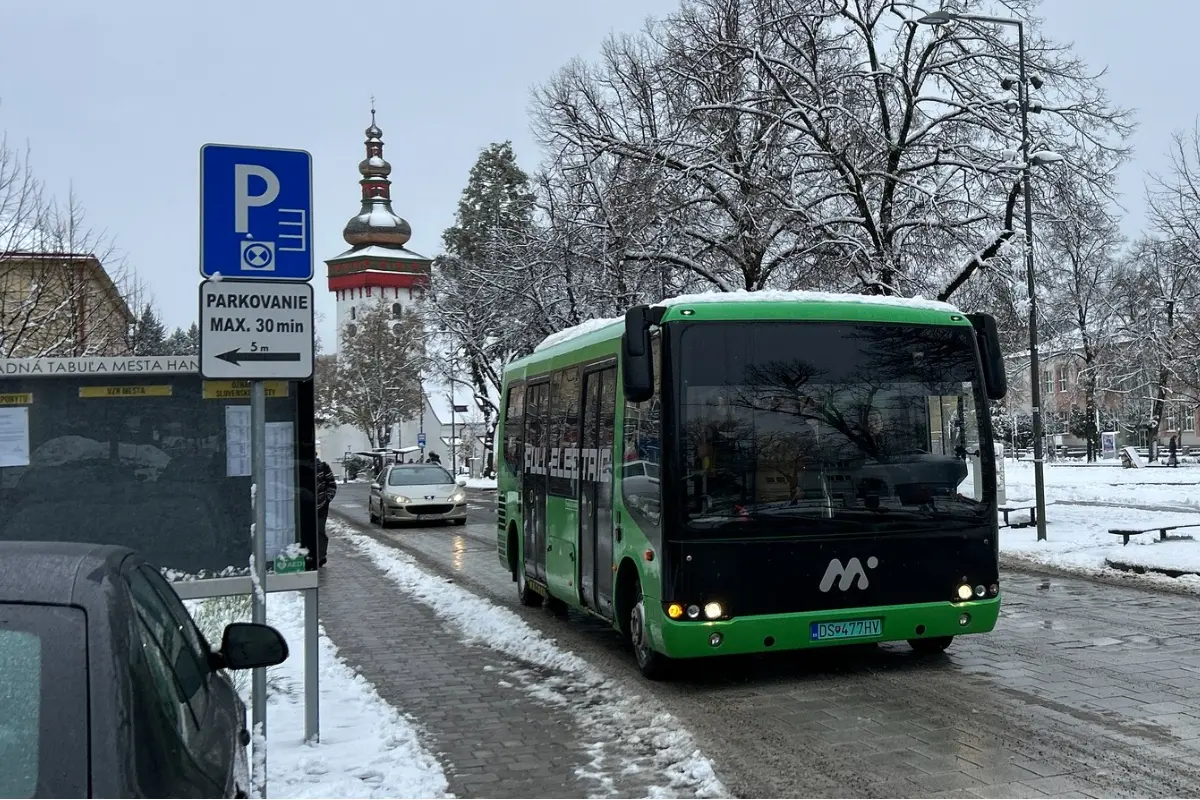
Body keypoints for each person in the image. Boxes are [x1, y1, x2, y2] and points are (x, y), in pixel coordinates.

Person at [316, 458, 337, 566]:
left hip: (321, 506)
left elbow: (332, 485)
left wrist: (327, 498)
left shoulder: (323, 466)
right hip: (305, 506)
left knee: (319, 530)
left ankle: (321, 556)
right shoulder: (301, 465)